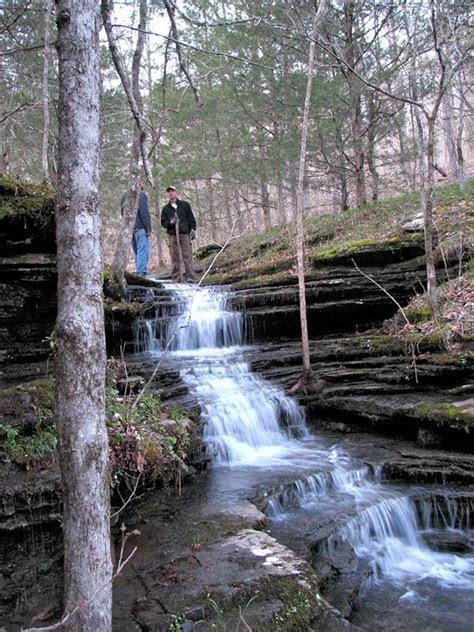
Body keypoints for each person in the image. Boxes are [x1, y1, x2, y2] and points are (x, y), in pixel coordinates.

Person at [160, 186, 196, 283]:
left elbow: (191, 218)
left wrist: (193, 229)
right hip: (173, 235)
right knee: (175, 256)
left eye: (172, 191)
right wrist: (171, 222)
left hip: (184, 234)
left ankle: (190, 277)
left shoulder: (185, 205)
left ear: (176, 192)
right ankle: (176, 277)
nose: (171, 193)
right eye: (169, 192)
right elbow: (163, 223)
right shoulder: (166, 209)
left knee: (187, 255)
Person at [121, 179, 152, 276]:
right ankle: (141, 271)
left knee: (136, 250)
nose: (143, 184)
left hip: (130, 228)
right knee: (142, 249)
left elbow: (122, 213)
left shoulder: (124, 195)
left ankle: (139, 269)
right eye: (142, 182)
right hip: (140, 227)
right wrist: (148, 227)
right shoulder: (140, 194)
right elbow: (144, 212)